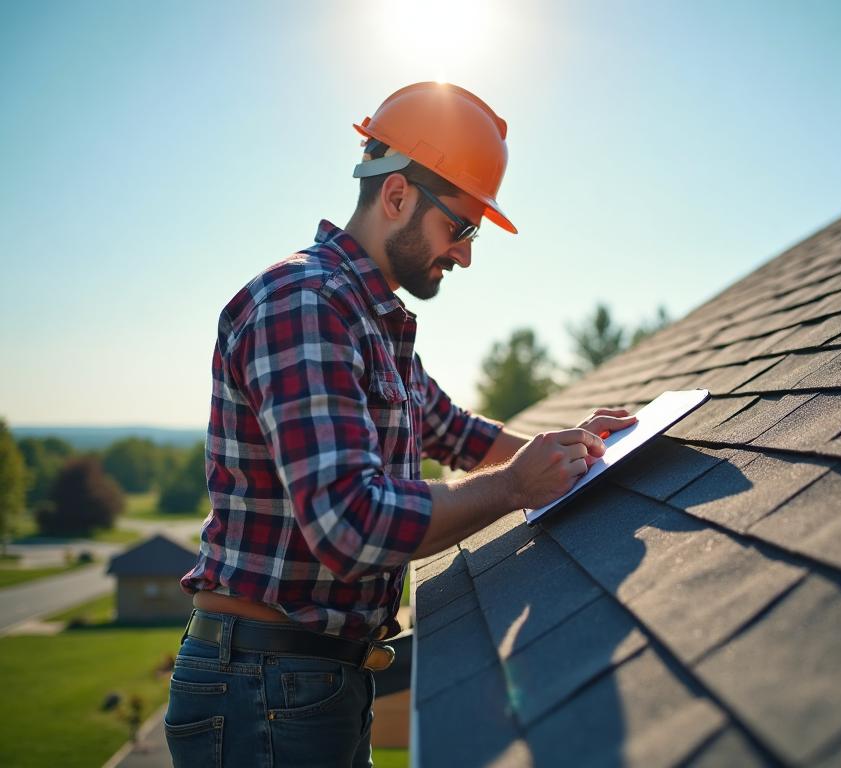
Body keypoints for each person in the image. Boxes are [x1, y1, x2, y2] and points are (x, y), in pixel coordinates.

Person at [165, 82, 636, 768]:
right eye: (461, 228)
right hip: (260, 688)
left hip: (310, 682)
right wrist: (514, 488)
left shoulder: (370, 320)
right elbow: (351, 525)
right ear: (396, 198)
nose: (467, 254)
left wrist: (577, 447)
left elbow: (460, 434)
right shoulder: (304, 304)